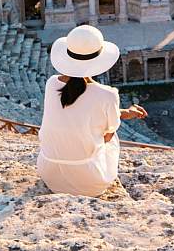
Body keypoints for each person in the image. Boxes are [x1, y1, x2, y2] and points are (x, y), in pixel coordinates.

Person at [37, 25, 147, 196]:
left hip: (50, 175)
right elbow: (106, 135)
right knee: (112, 133)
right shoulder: (108, 94)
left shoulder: (51, 83)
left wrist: (125, 112)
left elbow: (79, 110)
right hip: (88, 182)